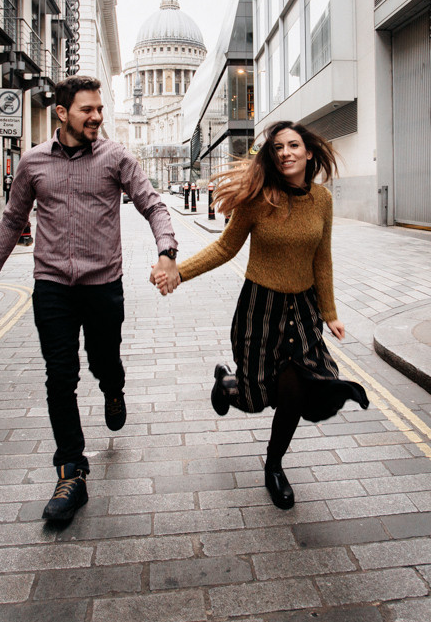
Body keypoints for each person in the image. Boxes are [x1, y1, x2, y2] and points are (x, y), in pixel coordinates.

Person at [0, 75, 180, 523]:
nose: (97, 117)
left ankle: (113, 388)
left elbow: (153, 204)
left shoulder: (116, 157)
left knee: (104, 361)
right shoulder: (33, 162)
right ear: (63, 113)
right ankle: (71, 471)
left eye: (100, 109)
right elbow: (12, 219)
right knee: (60, 376)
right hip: (52, 286)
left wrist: (166, 252)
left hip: (103, 285)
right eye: (88, 110)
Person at [153, 121, 368, 509]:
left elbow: (322, 258)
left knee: (294, 393)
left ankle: (274, 466)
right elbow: (224, 248)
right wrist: (179, 273)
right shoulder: (258, 198)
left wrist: (330, 312)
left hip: (303, 312)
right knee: (255, 398)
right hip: (261, 309)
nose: (285, 152)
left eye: (293, 145)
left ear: (308, 153)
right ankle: (226, 385)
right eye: (278, 147)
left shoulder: (322, 200)